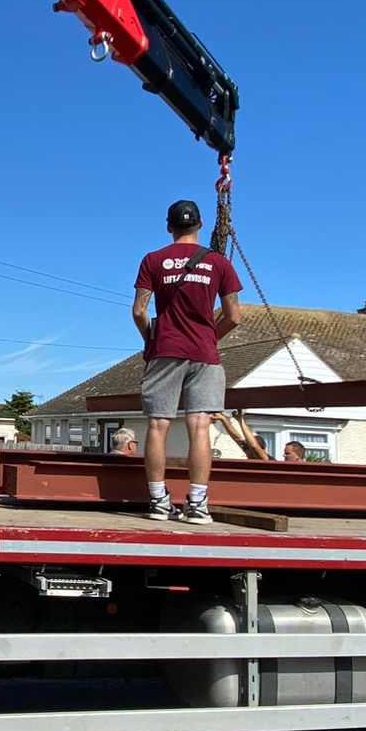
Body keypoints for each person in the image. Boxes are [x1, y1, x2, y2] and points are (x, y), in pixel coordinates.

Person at [133, 198, 242, 523]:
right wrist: (211, 337)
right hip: (204, 354)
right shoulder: (219, 263)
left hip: (165, 350)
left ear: (169, 226)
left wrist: (150, 339)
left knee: (157, 425)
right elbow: (234, 316)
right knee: (200, 426)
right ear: (200, 225)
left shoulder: (153, 260)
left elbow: (140, 310)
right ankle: (197, 503)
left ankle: (158, 501)